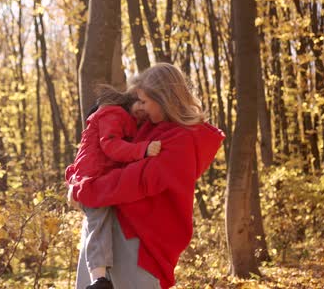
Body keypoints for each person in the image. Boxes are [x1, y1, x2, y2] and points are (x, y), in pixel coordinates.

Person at [68, 63, 225, 289]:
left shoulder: (182, 140)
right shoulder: (147, 125)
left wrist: (85, 191)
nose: (140, 107)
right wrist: (75, 178)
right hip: (106, 231)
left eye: (144, 101)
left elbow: (137, 180)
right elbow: (99, 153)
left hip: (138, 244)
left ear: (164, 99)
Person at [65, 85, 162, 289]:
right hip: (91, 179)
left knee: (104, 223)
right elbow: (110, 146)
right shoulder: (113, 113)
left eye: (146, 110)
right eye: (140, 103)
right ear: (129, 99)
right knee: (98, 223)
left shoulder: (126, 120)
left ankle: (100, 277)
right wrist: (142, 150)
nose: (142, 111)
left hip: (100, 179)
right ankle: (98, 279)